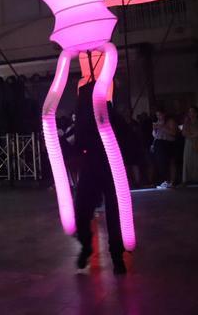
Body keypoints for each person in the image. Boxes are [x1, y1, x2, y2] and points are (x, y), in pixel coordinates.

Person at [73, 82, 126, 275]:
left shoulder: (108, 114)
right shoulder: (84, 117)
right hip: (93, 167)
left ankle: (116, 256)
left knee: (113, 213)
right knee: (82, 211)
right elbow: (79, 141)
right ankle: (87, 246)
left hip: (110, 167)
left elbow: (124, 136)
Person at [152, 110, 179, 188]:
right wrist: (154, 129)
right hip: (159, 143)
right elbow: (155, 135)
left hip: (168, 143)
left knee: (171, 162)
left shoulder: (170, 121)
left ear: (164, 114)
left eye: (160, 114)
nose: (158, 117)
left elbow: (173, 133)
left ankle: (172, 181)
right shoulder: (157, 122)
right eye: (157, 115)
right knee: (161, 163)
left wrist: (162, 127)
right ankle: (165, 180)